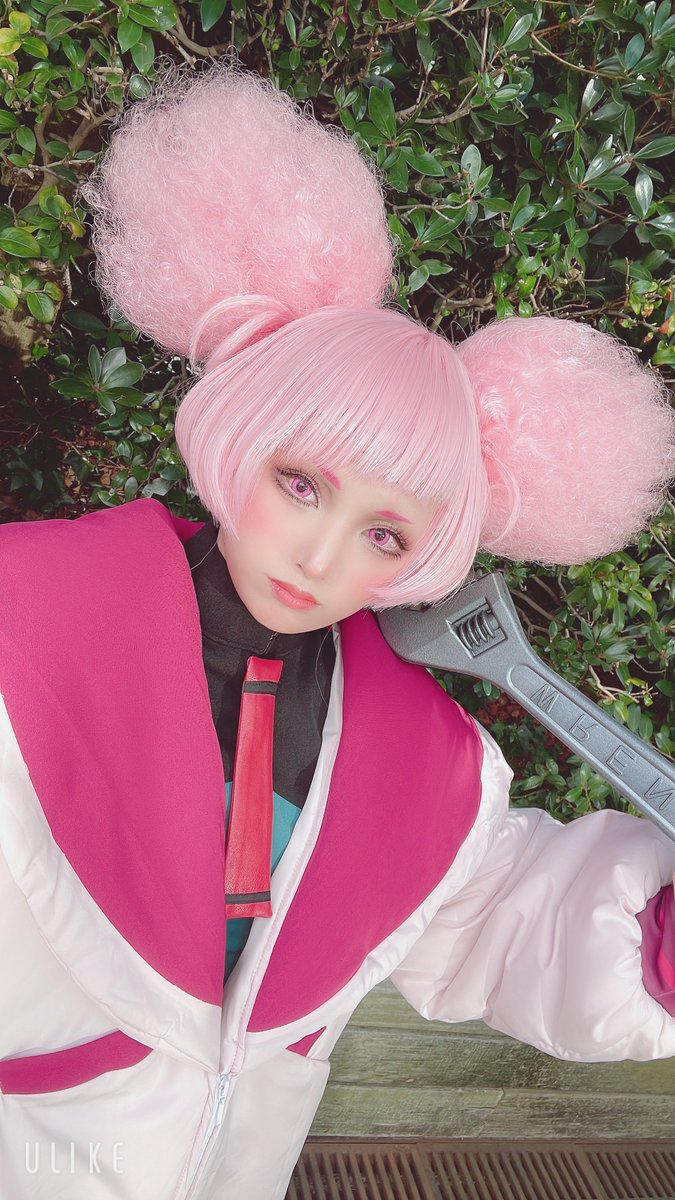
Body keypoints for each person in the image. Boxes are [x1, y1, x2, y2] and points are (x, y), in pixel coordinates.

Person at [1, 60, 674, 1200]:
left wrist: (654, 940)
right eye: (302, 483)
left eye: (384, 534)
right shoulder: (26, 621)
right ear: (239, 438)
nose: (320, 557)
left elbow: (488, 918)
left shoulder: (423, 759)